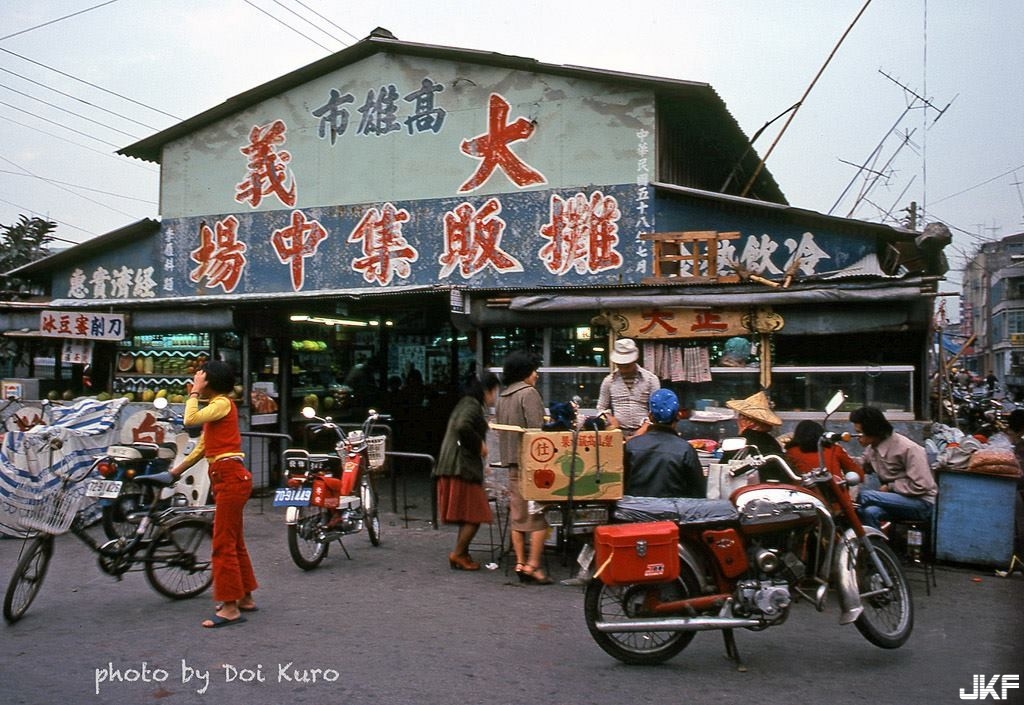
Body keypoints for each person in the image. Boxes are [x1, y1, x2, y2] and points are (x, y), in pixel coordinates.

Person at [169, 360, 257, 628]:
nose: (196, 381)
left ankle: (229, 607)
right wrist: (176, 471)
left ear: (211, 382)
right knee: (233, 539)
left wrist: (193, 393)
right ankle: (244, 597)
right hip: (225, 476)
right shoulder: (217, 409)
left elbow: (189, 420)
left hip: (229, 476)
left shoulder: (222, 404)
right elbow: (202, 448)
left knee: (222, 543)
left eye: (201, 377)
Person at [433, 373, 501, 571]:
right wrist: (479, 444)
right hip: (460, 466)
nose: (495, 397)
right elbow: (463, 426)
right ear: (487, 390)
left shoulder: (466, 403)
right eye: (495, 391)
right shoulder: (471, 405)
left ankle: (461, 553)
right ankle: (458, 553)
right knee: (476, 513)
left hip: (455, 465)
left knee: (469, 513)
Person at [495, 350, 552, 585]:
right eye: (533, 370)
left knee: (518, 516)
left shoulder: (503, 397)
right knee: (540, 517)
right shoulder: (528, 394)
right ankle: (533, 565)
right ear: (524, 373)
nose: (536, 375)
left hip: (511, 463)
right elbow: (537, 432)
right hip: (532, 466)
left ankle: (519, 562)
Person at [849, 406, 937, 530]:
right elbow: (861, 464)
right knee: (870, 512)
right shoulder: (873, 448)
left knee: (865, 496)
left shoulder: (908, 448)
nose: (857, 437)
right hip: (896, 500)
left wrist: (891, 487)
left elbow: (922, 484)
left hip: (921, 503)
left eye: (860, 433)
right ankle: (875, 547)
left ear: (873, 430)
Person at [624, 389, 705, 498]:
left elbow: (620, 487)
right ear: (678, 416)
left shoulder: (631, 446)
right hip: (674, 512)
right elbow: (698, 493)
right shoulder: (685, 449)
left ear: (650, 416)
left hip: (636, 512)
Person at [597, 338, 661, 439]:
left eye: (626, 366)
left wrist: (644, 428)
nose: (623, 369)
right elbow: (601, 407)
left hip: (645, 431)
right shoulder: (609, 381)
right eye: (620, 365)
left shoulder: (651, 379)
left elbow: (656, 409)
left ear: (635, 360)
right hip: (618, 432)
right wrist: (610, 418)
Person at [785, 419, 864, 481]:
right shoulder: (835, 449)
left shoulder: (791, 452)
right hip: (834, 497)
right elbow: (859, 475)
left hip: (804, 497)